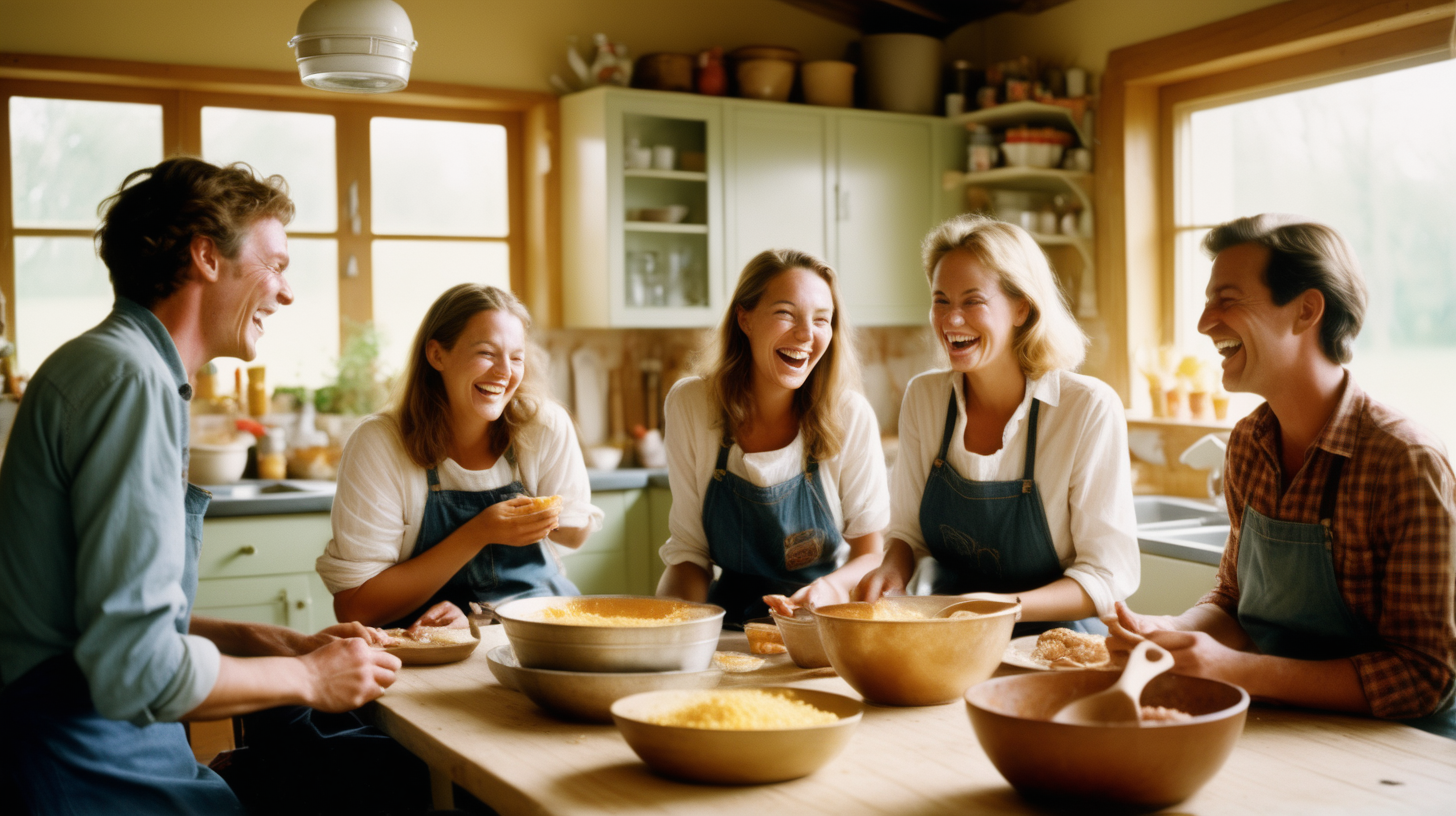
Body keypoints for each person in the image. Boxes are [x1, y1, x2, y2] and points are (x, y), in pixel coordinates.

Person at [0, 158, 408, 815]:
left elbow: (113, 619)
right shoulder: (131, 382)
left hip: (100, 748)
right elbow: (136, 667)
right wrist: (309, 678)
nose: (286, 292)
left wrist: (287, 644)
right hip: (89, 769)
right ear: (206, 258)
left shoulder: (106, 363)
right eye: (274, 264)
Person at [1107, 214, 1455, 738]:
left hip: (1400, 750)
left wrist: (1237, 669)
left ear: (1306, 311)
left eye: (1227, 298)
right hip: (1283, 725)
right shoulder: (1248, 443)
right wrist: (1171, 633)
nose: (1204, 323)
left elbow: (1424, 678)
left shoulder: (1405, 462)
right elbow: (1232, 600)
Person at [857, 215, 1139, 637]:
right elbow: (906, 533)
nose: (951, 321)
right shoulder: (925, 398)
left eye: (972, 301)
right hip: (951, 634)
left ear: (1021, 307)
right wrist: (891, 571)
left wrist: (994, 608)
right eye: (941, 300)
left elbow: (1104, 576)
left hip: (1057, 642)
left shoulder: (1086, 408)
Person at [319, 283, 603, 629]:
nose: (504, 372)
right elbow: (355, 608)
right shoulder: (380, 444)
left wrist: (551, 517)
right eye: (486, 353)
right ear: (437, 355)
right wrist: (480, 531)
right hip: (426, 642)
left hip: (539, 627)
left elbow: (573, 535)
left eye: (516, 357)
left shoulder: (542, 425)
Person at [656, 249, 890, 626]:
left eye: (821, 320)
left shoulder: (850, 414)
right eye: (785, 313)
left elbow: (872, 554)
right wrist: (667, 628)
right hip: (727, 624)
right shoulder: (692, 404)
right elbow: (689, 555)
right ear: (744, 318)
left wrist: (829, 590)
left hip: (823, 622)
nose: (805, 334)